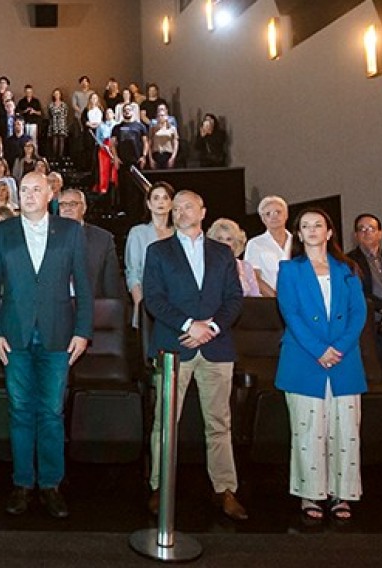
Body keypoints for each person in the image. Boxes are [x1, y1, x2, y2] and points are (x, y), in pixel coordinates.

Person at [0, 172, 93, 519]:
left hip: (59, 334)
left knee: (51, 412)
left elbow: (85, 288)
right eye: (24, 190)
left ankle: (50, 485)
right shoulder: (2, 232)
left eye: (36, 189)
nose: (29, 195)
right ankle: (22, 484)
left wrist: (83, 331)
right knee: (19, 411)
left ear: (50, 194)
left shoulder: (71, 231)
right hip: (13, 335)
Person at [142, 190, 247, 521]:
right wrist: (190, 325)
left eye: (187, 206)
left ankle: (224, 489)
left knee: (219, 423)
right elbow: (153, 299)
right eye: (176, 208)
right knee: (165, 423)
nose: (180, 212)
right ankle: (160, 488)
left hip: (216, 348)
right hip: (175, 346)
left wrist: (210, 327)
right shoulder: (158, 251)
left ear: (203, 211)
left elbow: (234, 298)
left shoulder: (222, 253)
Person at [275, 207, 367, 521]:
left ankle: (343, 494)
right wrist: (319, 350)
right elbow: (291, 314)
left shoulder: (349, 269)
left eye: (318, 225)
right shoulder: (289, 270)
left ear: (329, 232)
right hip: (304, 359)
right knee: (307, 430)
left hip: (344, 360)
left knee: (346, 430)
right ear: (298, 234)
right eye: (305, 226)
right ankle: (310, 494)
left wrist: (337, 348)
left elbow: (359, 314)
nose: (312, 230)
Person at [125, 182, 175, 326]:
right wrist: (139, 304)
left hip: (177, 304)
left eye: (165, 198)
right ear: (149, 204)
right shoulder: (138, 233)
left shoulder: (180, 233)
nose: (161, 202)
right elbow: (133, 272)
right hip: (148, 302)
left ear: (171, 203)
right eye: (156, 198)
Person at [58, 189, 123, 298]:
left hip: (93, 308)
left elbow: (112, 287)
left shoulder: (103, 239)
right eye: (63, 204)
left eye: (73, 204)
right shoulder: (47, 238)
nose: (67, 208)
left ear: (84, 208)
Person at [207, 218, 271, 297]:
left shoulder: (246, 267)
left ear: (235, 243)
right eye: (219, 239)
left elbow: (256, 296)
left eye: (228, 239)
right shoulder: (205, 266)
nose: (223, 243)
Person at [244, 195, 291, 293]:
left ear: (286, 215)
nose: (274, 216)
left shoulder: (299, 241)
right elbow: (254, 277)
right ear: (262, 219)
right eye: (268, 214)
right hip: (270, 302)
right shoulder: (255, 244)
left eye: (278, 212)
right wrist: (276, 299)